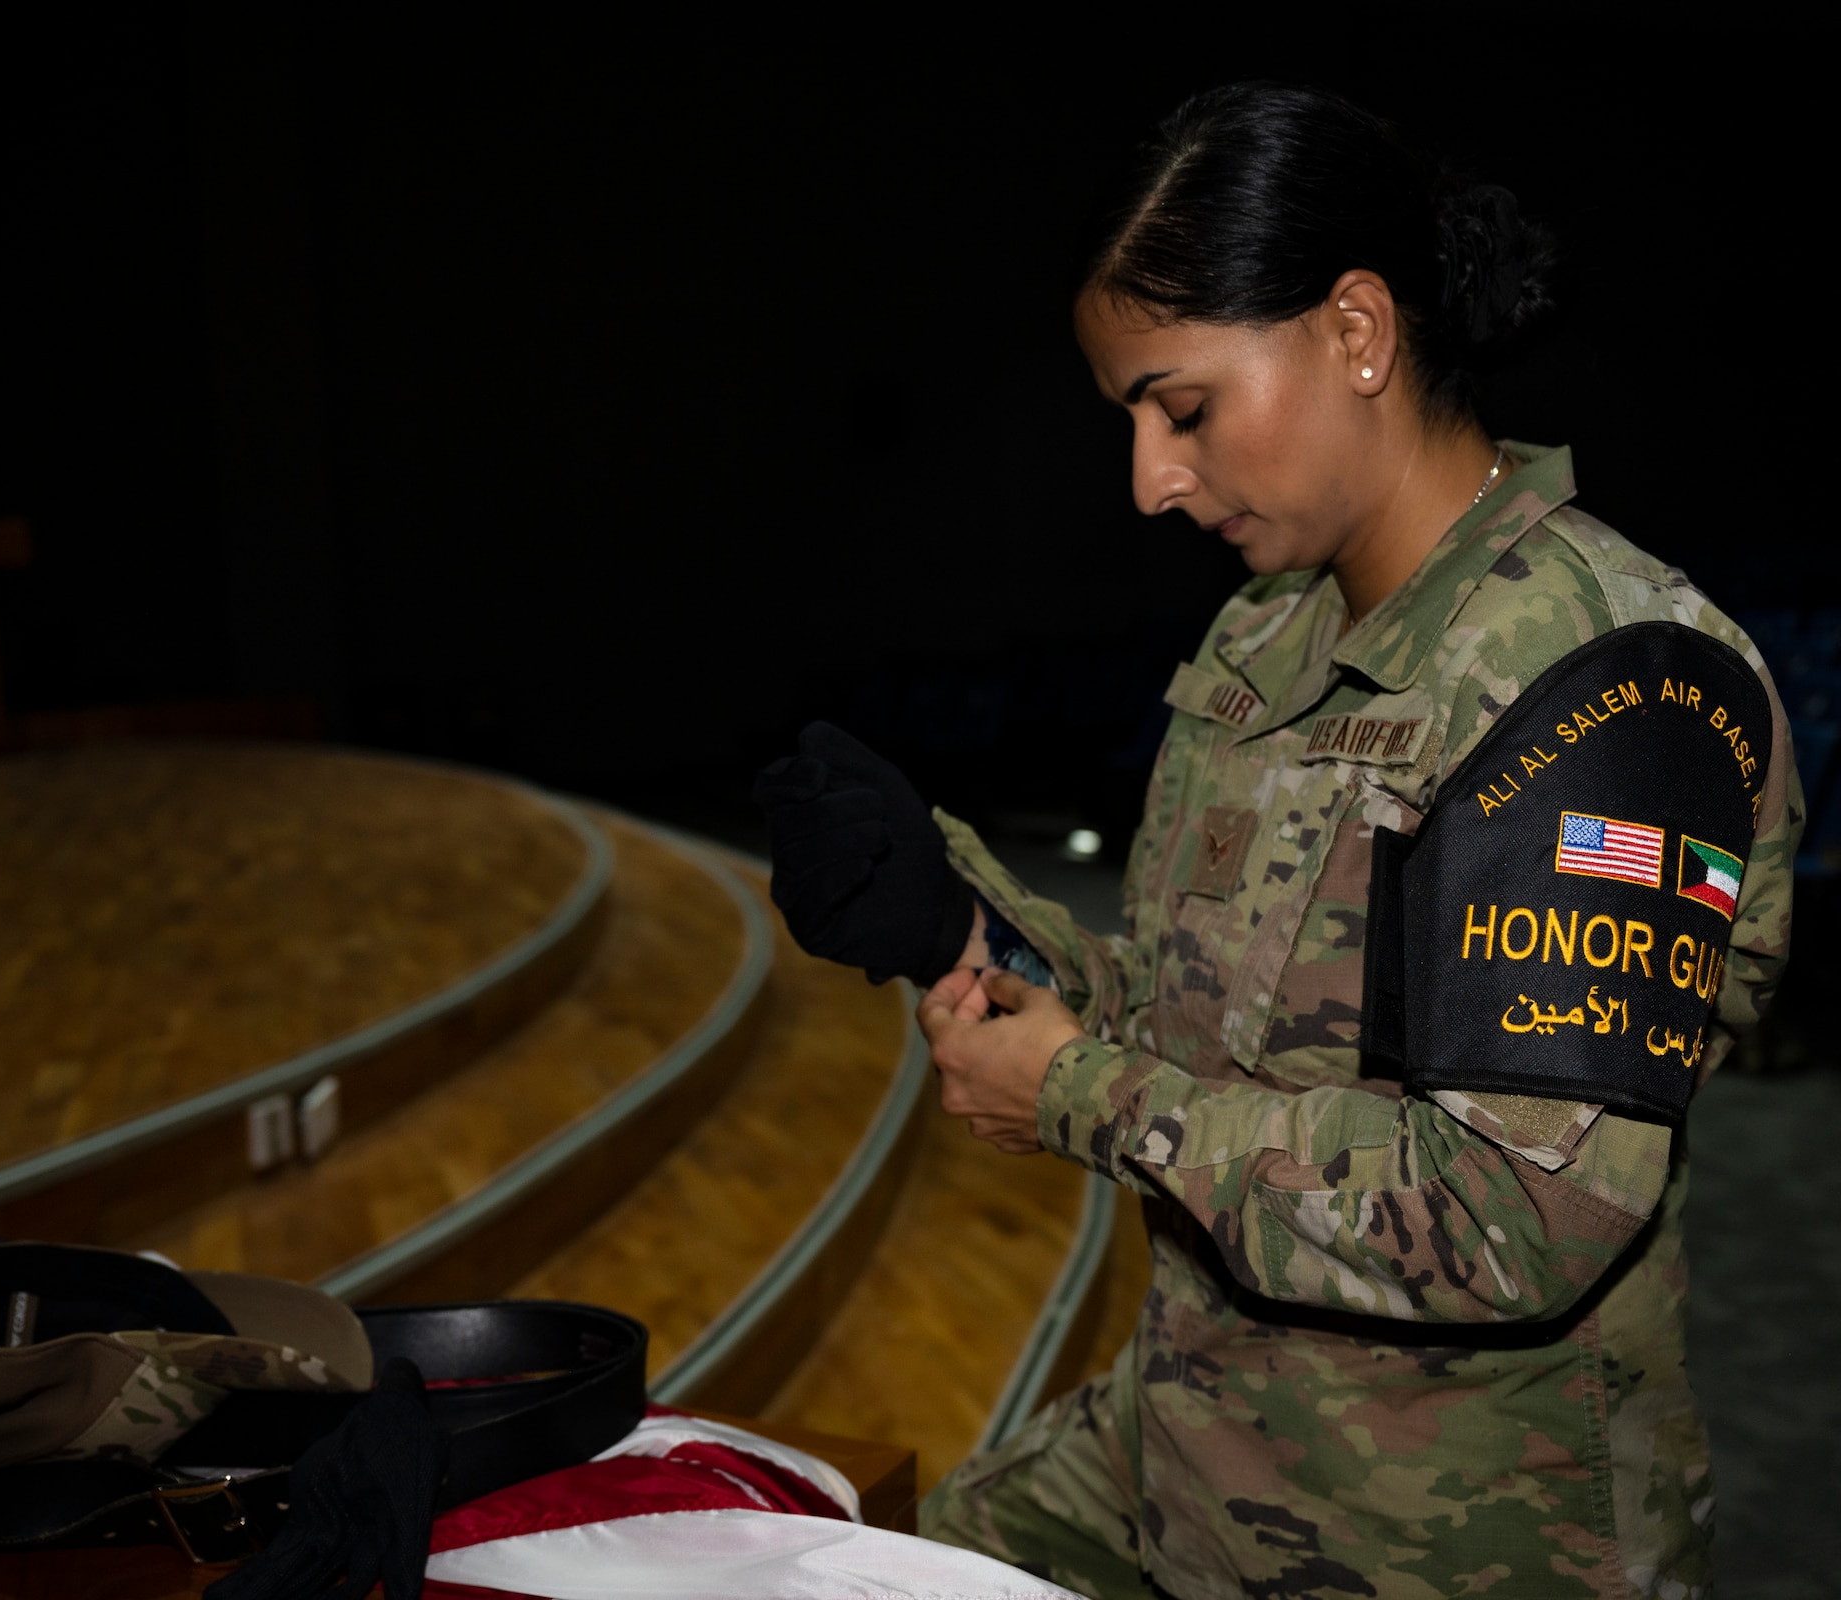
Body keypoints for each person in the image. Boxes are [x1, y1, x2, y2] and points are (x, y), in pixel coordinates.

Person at [753, 82, 1798, 1600]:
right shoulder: (1265, 638)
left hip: (1454, 1534)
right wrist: (952, 922)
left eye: (1183, 409)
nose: (1151, 482)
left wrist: (1078, 1095)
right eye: (1132, 422)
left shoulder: (1605, 683)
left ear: (1357, 332)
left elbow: (1510, 1213)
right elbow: (1219, 1033)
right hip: (1188, 1439)